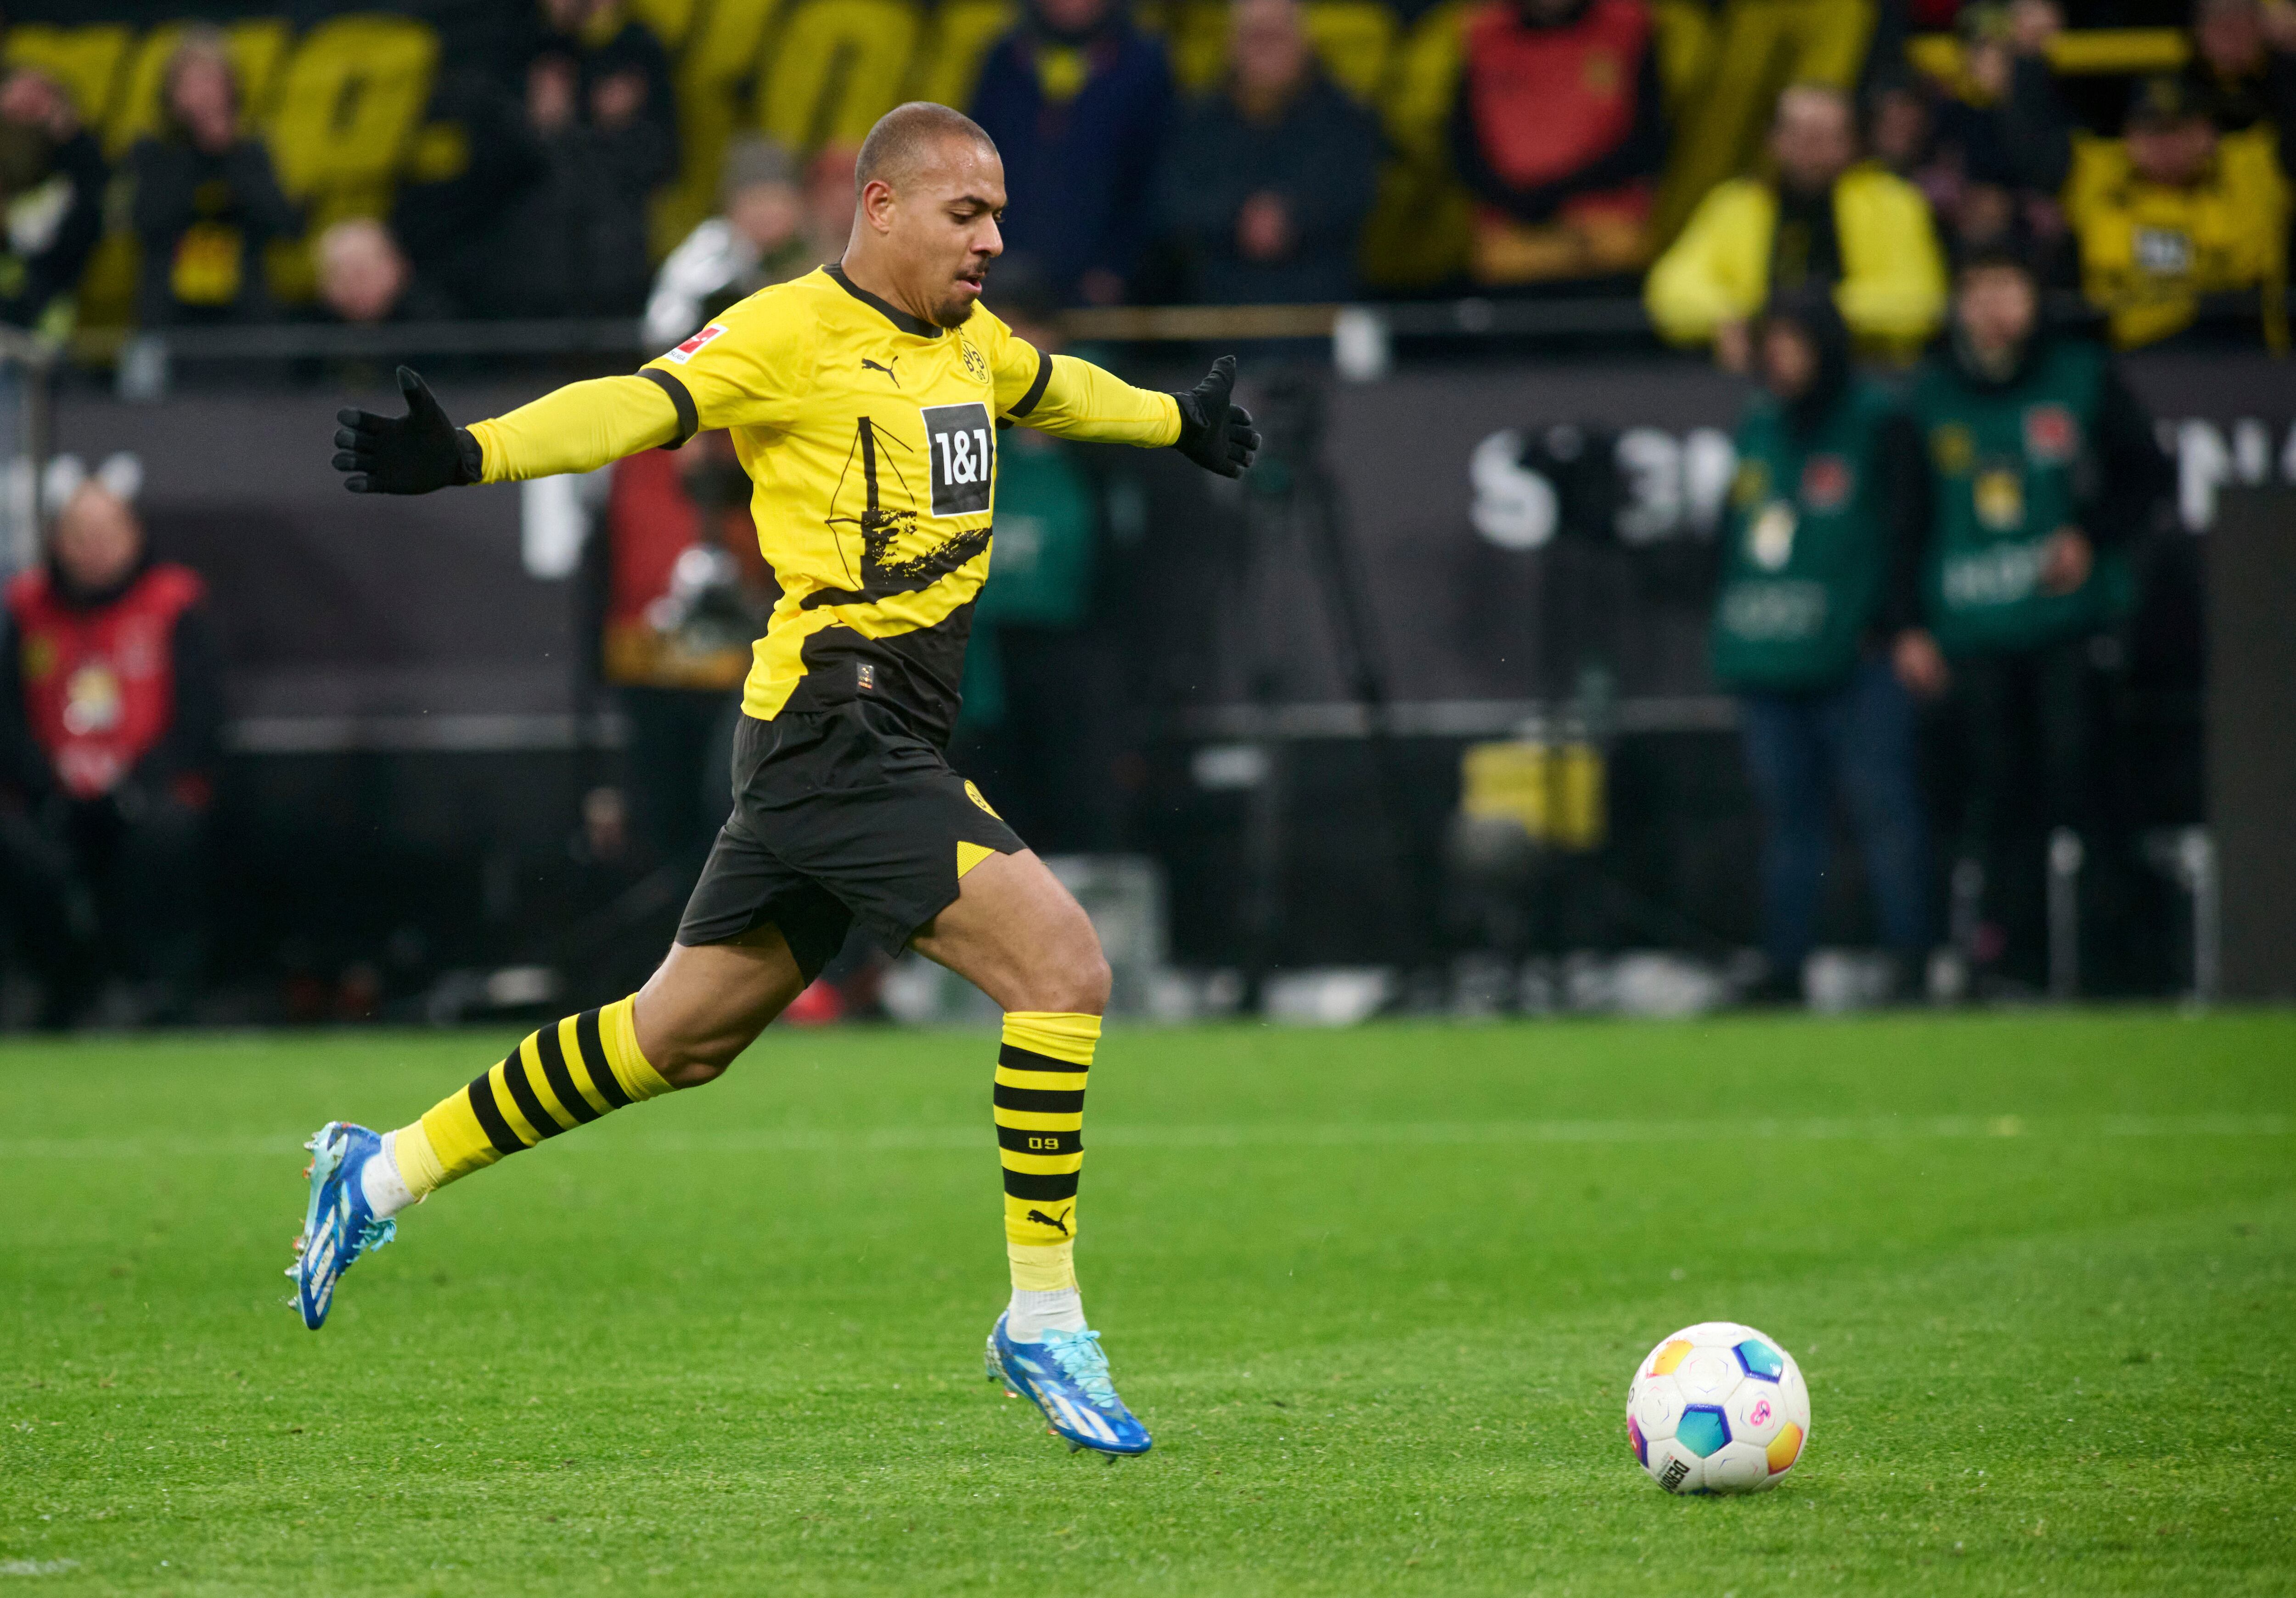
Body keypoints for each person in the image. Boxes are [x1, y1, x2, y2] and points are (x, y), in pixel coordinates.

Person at [304, 103, 1260, 1460]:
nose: (991, 239)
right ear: (880, 207)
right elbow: (639, 403)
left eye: (996, 215)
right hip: (835, 730)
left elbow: (1054, 387)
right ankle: (1043, 1318)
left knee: (672, 1039)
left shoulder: (967, 342)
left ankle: (383, 1167)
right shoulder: (783, 330)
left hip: (874, 736)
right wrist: (475, 453)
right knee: (1063, 968)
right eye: (965, 213)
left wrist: (1177, 423)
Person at [1899, 246, 2172, 993]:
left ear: (2035, 298)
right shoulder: (1930, 396)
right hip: (1974, 633)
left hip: (2067, 627)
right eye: (1977, 290)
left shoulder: (2081, 376)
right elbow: (1905, 519)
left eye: (2008, 288)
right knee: (1997, 796)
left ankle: (2124, 963)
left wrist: (2090, 534)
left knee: (2088, 782)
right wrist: (1908, 624)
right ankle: (2005, 961)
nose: (1993, 307)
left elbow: (2147, 475)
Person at [1709, 287, 1934, 1003]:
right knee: (1789, 822)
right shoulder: (1758, 424)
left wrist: (1902, 624)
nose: (1778, 358)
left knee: (1884, 809)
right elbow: (1730, 538)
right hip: (1769, 656)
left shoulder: (1879, 420)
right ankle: (1785, 967)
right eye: (1770, 343)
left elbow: (1909, 526)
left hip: (1859, 655)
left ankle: (1912, 963)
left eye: (1793, 343)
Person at [0, 477, 222, 1027]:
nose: (94, 550)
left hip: (148, 790)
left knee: (169, 837)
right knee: (21, 846)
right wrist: (45, 783)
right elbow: (7, 714)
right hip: (52, 794)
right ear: (56, 542)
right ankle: (51, 989)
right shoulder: (26, 608)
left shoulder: (172, 604)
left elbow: (201, 714)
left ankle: (154, 991)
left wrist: (139, 784)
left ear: (134, 537)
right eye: (80, 536)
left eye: (107, 534)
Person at [1646, 82, 1947, 366]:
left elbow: (1919, 299)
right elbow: (1670, 289)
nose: (1811, 148)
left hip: (1869, 371)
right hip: (1758, 374)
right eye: (1799, 133)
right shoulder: (1736, 205)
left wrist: (1811, 321)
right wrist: (1734, 319)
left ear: (1851, 142)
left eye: (1825, 136)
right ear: (1774, 140)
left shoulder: (1893, 203)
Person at [1159, 0, 1381, 305]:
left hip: (1319, 302)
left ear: (1303, 41)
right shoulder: (1200, 122)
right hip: (1220, 305)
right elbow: (1173, 199)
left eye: (1275, 37)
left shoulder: (1344, 119)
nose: (1264, 50)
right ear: (1231, 43)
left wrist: (1292, 218)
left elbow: (1358, 194)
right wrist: (1237, 218)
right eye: (1254, 36)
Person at [1447, 0, 1667, 287]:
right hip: (1512, 235)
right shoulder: (1481, 31)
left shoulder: (1629, 24)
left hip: (1606, 228)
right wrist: (1523, 203)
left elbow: (1648, 141)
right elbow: (1464, 147)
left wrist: (1561, 196)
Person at [970, 0, 1174, 305]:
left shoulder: (1145, 64)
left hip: (1107, 293)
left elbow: (1154, 178)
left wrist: (1115, 266)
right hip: (1007, 280)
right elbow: (974, 165)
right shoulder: (1004, 59)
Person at [2067, 74, 2291, 350]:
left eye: (2180, 130)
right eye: (2152, 132)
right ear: (2129, 138)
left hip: (2237, 347)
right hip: (2132, 353)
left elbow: (2249, 263)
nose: (2166, 145)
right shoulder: (2098, 185)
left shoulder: (2249, 177)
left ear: (2208, 133)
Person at [501, 0, 679, 317]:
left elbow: (663, 158)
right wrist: (543, 126)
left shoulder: (636, 47)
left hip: (616, 266)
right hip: (535, 269)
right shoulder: (526, 43)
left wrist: (617, 126)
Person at [127, 29, 299, 328]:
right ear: (171, 92)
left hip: (242, 311)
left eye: (213, 81)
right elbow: (147, 221)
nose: (205, 94)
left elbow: (285, 224)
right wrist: (195, 151)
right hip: (169, 312)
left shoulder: (251, 152)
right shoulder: (152, 152)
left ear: (232, 89)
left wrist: (229, 155)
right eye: (193, 82)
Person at [644, 136, 814, 349]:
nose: (768, 214)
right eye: (756, 201)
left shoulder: (801, 251)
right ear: (731, 205)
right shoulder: (712, 251)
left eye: (777, 200)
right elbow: (667, 334)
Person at [0, 67, 107, 339]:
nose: (26, 116)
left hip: (42, 320)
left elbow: (87, 220)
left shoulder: (68, 176)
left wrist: (68, 133)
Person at [2182, 0, 2296, 176]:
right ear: (2200, 34)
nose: (2235, 38)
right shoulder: (2185, 85)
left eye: (2244, 26)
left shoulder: (2285, 78)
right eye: (2223, 28)